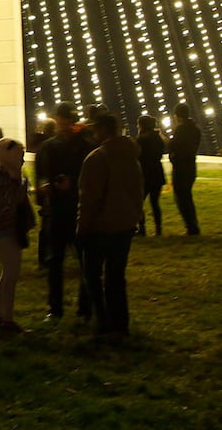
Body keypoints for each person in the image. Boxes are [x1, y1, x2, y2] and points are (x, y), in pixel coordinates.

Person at [77, 112, 143, 343]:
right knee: (117, 276)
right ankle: (120, 324)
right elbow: (138, 191)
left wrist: (82, 228)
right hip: (125, 225)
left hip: (100, 227)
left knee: (92, 276)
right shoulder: (131, 156)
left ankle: (103, 323)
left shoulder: (97, 158)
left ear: (102, 131)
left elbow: (89, 199)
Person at [33, 103, 90, 321]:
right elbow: (41, 174)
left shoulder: (84, 144)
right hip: (56, 209)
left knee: (85, 261)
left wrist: (73, 183)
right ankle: (55, 308)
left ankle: (85, 308)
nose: (64, 125)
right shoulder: (48, 147)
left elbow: (89, 174)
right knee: (55, 261)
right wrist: (44, 188)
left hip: (77, 208)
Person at [0, 137, 34, 333]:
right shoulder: (2, 178)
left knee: (9, 273)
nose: (22, 159)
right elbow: (11, 201)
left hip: (7, 227)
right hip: (4, 227)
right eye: (20, 155)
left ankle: (3, 316)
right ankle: (7, 319)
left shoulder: (5, 176)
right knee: (11, 273)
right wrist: (19, 182)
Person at [167, 102, 202, 236]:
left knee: (182, 198)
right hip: (191, 166)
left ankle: (191, 227)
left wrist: (164, 139)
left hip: (181, 167)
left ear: (178, 116)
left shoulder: (181, 129)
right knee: (187, 197)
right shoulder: (195, 129)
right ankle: (193, 226)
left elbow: (173, 146)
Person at [136, 115, 167, 237]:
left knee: (139, 202)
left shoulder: (142, 139)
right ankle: (158, 229)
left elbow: (137, 155)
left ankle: (142, 228)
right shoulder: (158, 137)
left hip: (145, 174)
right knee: (155, 202)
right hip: (157, 172)